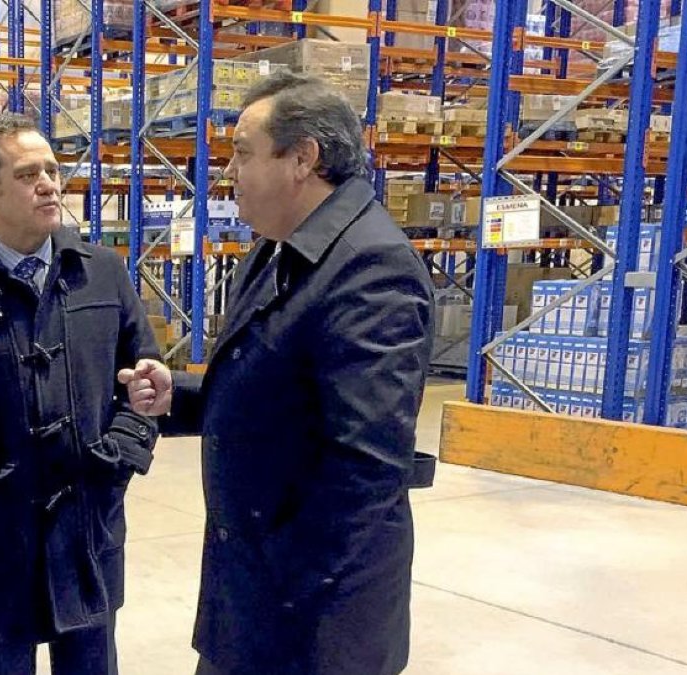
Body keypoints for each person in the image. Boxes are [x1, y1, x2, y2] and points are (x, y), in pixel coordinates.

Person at [118, 72, 435, 674]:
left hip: (313, 620)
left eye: (242, 153)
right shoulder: (276, 249)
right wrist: (177, 399)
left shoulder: (371, 268)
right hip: (251, 599)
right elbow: (268, 392)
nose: (229, 172)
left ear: (302, 159)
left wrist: (282, 581)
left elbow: (366, 468)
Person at [0, 114, 160, 675]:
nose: (49, 183)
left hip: (88, 529)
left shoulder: (103, 274)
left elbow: (146, 380)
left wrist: (115, 460)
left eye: (52, 169)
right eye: (28, 174)